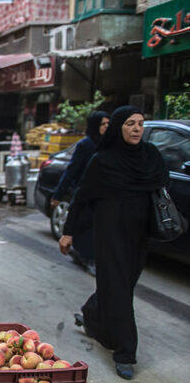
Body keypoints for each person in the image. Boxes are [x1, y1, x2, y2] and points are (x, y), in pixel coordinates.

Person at [60, 106, 168, 380]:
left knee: (121, 285)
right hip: (110, 235)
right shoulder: (103, 160)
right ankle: (125, 353)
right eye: (130, 123)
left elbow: (161, 184)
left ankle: (93, 315)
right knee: (119, 288)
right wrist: (69, 231)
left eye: (141, 124)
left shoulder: (151, 156)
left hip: (139, 235)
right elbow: (82, 198)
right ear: (119, 127)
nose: (136, 129)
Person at [51, 111, 109, 274]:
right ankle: (89, 259)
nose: (106, 127)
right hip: (85, 194)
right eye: (103, 124)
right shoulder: (85, 145)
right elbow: (71, 171)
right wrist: (58, 194)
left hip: (103, 194)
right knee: (85, 228)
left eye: (108, 124)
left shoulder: (108, 145)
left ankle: (83, 254)